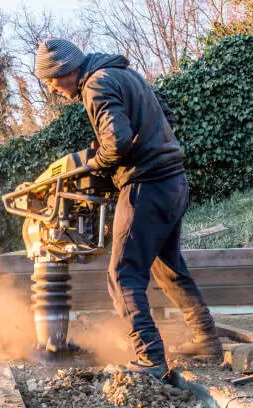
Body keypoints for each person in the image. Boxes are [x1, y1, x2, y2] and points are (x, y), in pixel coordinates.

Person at [34, 38, 222, 380]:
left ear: (64, 70)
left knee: (122, 275)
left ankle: (150, 358)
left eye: (51, 81)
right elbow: (164, 114)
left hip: (146, 186)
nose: (53, 89)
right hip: (174, 182)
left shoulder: (95, 84)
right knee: (168, 269)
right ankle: (207, 340)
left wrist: (96, 163)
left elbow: (117, 141)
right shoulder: (125, 74)